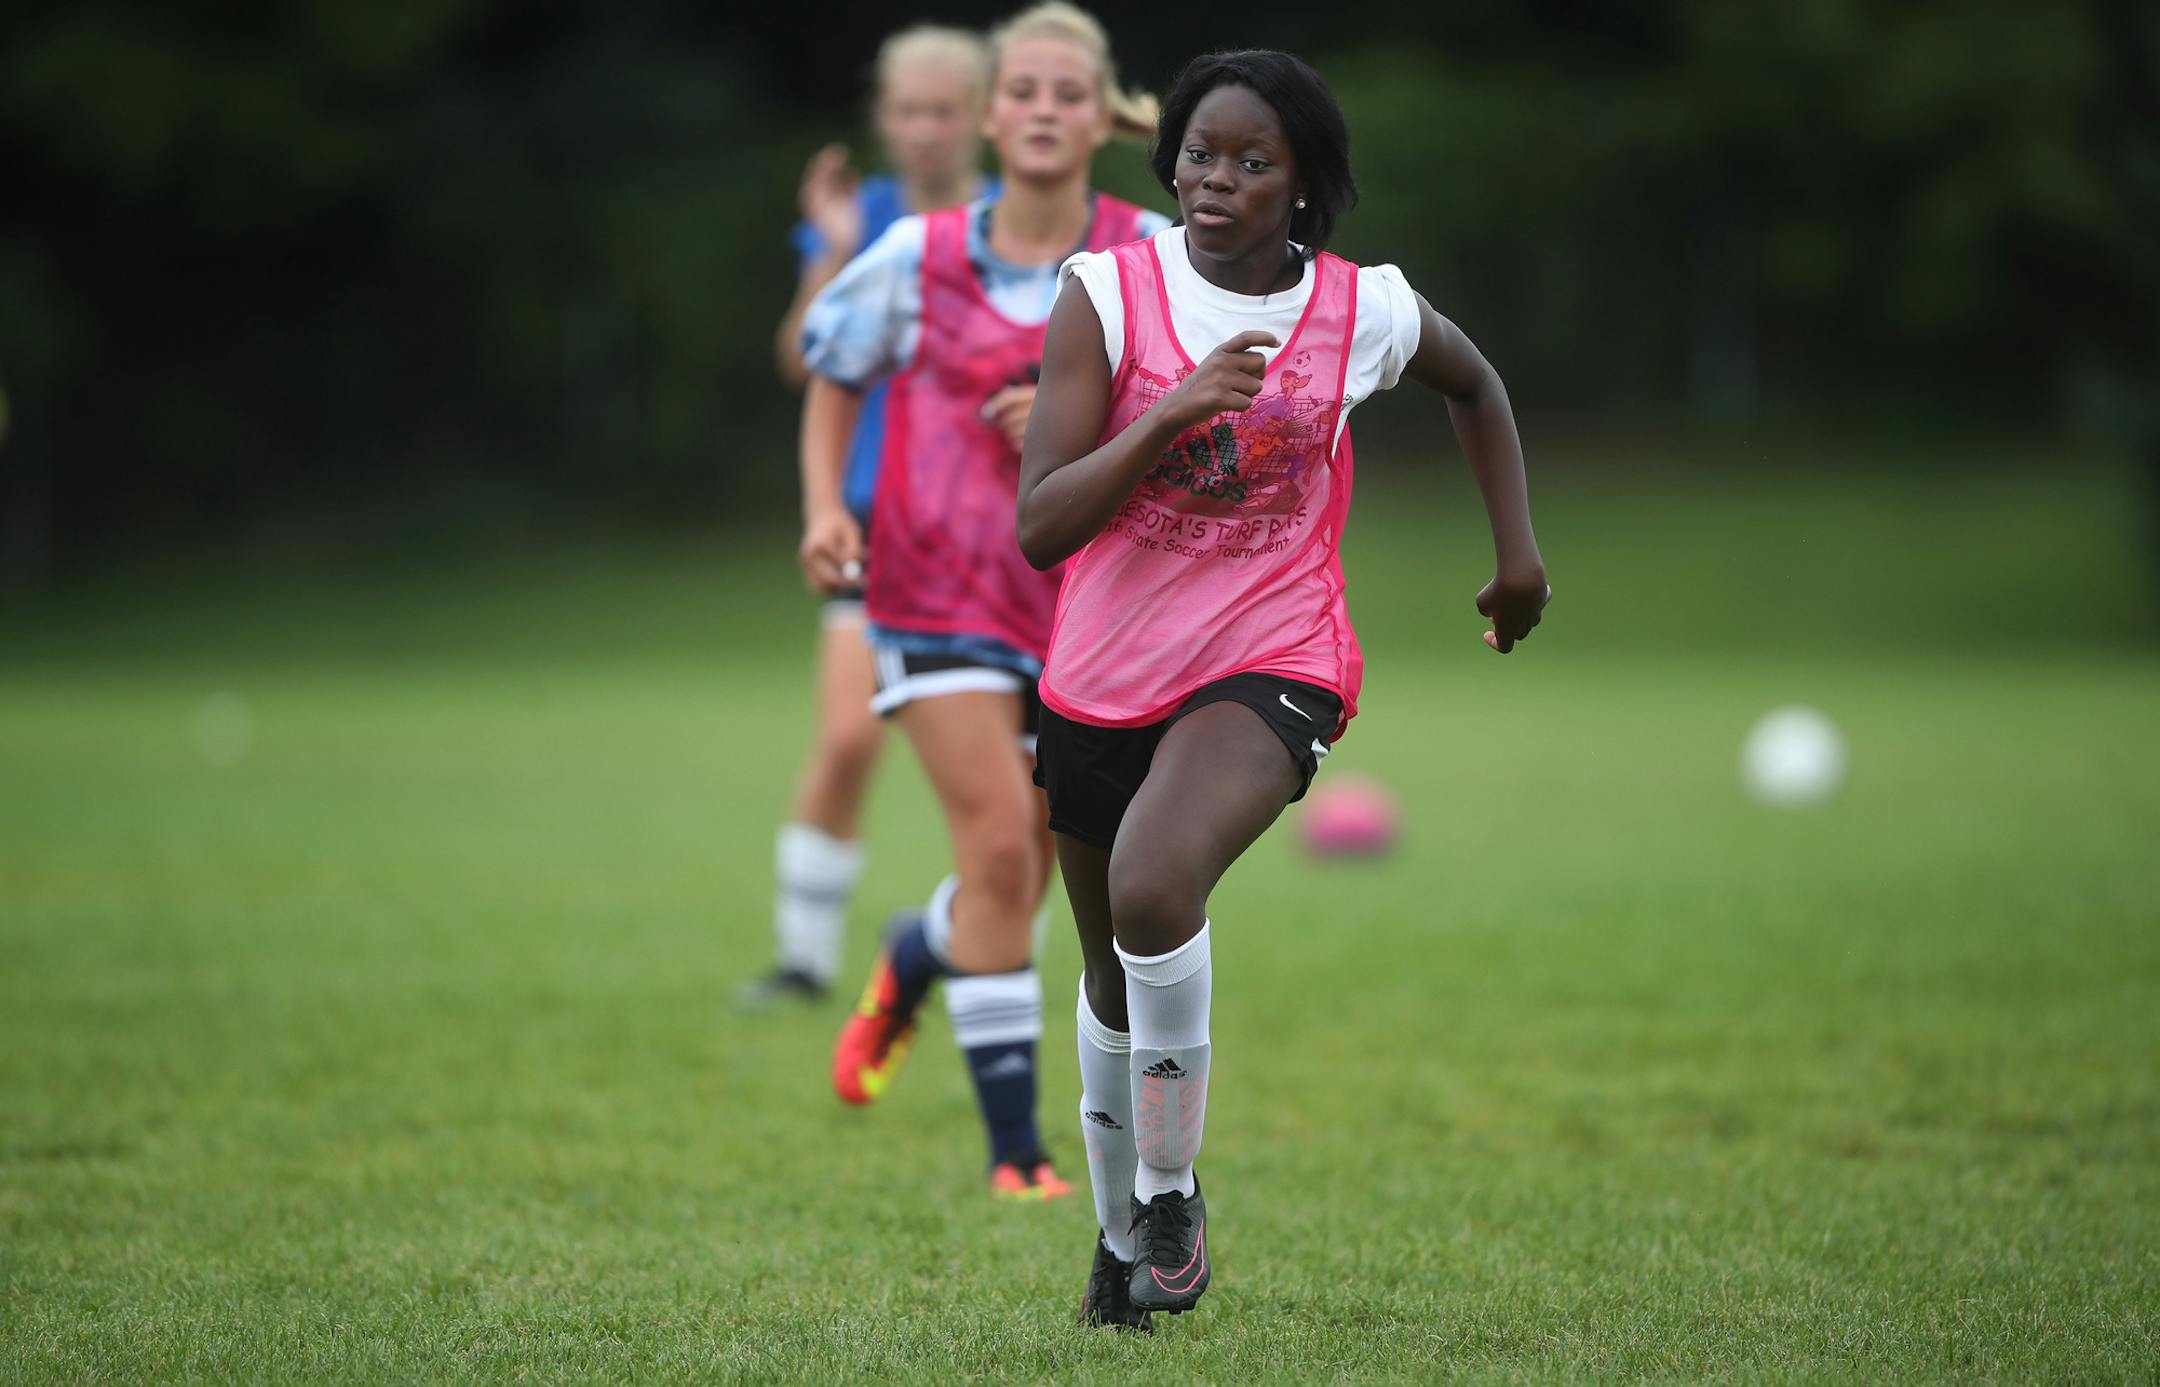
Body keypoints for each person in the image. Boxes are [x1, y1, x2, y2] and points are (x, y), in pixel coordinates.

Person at [1016, 50, 1552, 1328]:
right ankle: (1118, 1254)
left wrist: (1516, 556)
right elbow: (1041, 525)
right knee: (1106, 979)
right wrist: (1164, 417)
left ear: (1303, 186)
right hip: (1098, 677)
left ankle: (1168, 1193)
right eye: (1202, 153)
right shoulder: (1108, 293)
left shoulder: (1361, 309)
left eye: (1253, 162)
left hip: (1274, 655)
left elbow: (1473, 383)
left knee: (1156, 885)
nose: (1217, 180)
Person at [796, 3, 1171, 1204]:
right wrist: (823, 508)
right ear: (990, 114)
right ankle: (1019, 1155)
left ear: (1100, 113)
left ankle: (919, 946)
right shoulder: (918, 255)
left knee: (1053, 863)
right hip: (936, 588)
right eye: (1024, 90)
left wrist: (1084, 427)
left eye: (1070, 91)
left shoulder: (1147, 255)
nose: (1044, 110)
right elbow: (831, 368)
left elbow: (1194, 415)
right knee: (1006, 851)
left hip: (1087, 602)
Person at [743, 27, 996, 1008]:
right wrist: (837, 251)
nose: (924, 130)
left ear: (979, 116)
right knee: (849, 739)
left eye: (943, 111)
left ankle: (986, 941)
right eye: (907, 111)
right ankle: (803, 960)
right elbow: (800, 361)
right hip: (873, 526)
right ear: (882, 118)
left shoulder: (1011, 222)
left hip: (990, 532)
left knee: (1024, 767)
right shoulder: (865, 217)